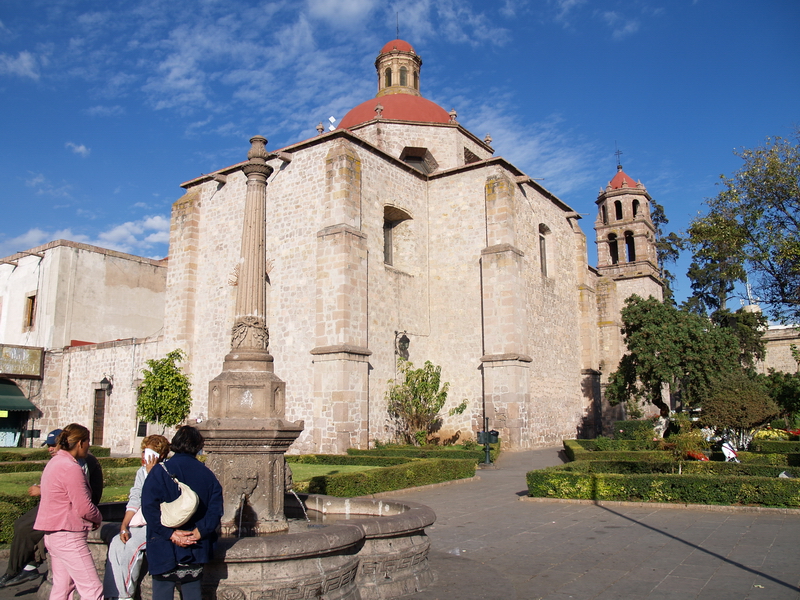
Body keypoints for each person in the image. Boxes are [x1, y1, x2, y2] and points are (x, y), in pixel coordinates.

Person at [0, 429, 103, 589]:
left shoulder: (74, 463)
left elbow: (79, 494)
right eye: (48, 445)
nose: (50, 449)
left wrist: (96, 517)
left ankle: (20, 569)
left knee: (90, 588)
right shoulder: (62, 462)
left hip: (66, 515)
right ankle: (28, 566)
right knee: (63, 587)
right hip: (59, 511)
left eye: (53, 445)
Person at [141, 426, 223, 600]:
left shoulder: (159, 472)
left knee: (162, 594)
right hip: (194, 546)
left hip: (164, 545)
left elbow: (149, 508)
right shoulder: (207, 475)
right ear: (198, 446)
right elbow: (215, 510)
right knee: (192, 594)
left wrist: (170, 534)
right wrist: (199, 532)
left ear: (175, 444)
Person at [33, 424, 103, 600]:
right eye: (88, 441)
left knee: (63, 588)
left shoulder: (55, 462)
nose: (88, 446)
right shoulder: (70, 467)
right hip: (68, 535)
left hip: (54, 534)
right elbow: (84, 506)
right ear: (80, 443)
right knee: (93, 589)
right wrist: (98, 517)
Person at [103, 434, 170, 600]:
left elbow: (161, 499)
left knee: (133, 545)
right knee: (116, 543)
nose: (143, 456)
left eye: (148, 452)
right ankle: (112, 593)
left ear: (159, 456)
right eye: (143, 452)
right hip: (139, 522)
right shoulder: (141, 472)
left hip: (156, 523)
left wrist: (151, 474)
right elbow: (135, 497)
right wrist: (124, 525)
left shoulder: (166, 472)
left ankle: (125, 595)